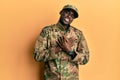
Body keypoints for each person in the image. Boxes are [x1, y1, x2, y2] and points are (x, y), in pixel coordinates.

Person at [33, 4, 89, 80]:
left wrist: (70, 51)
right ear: (61, 12)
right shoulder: (47, 32)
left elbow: (85, 58)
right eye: (67, 12)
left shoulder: (78, 34)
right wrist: (57, 49)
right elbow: (37, 55)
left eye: (72, 15)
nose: (69, 16)